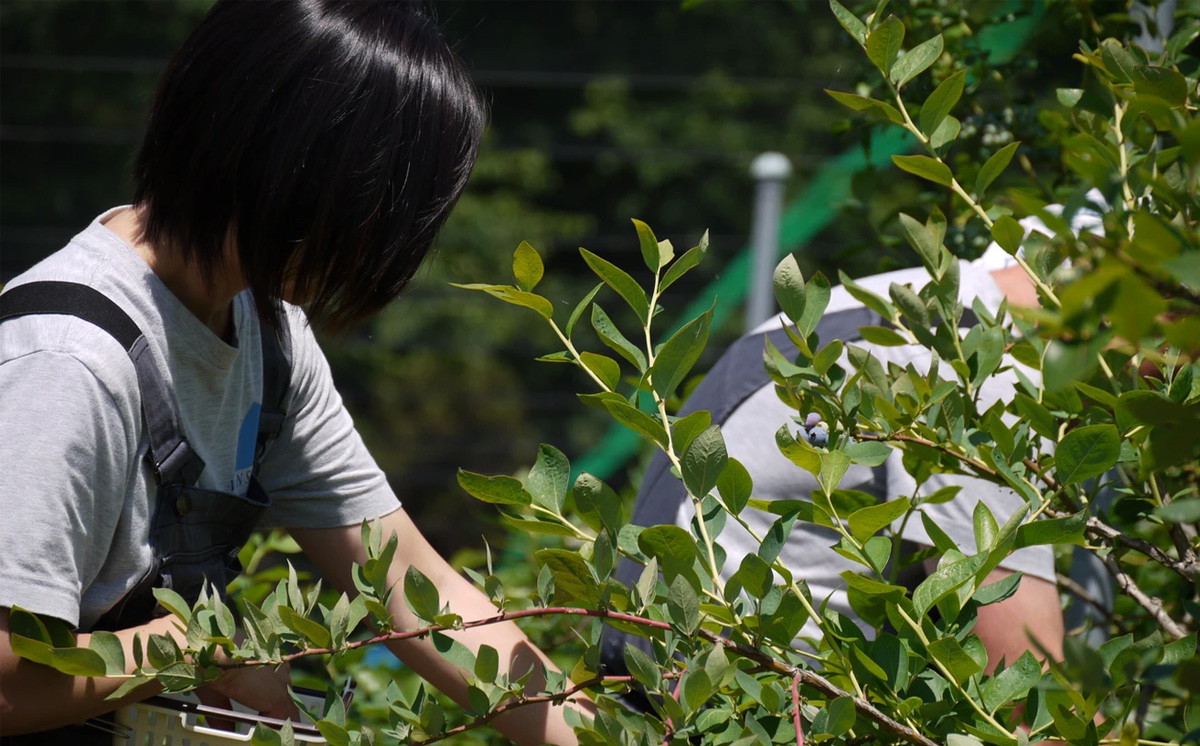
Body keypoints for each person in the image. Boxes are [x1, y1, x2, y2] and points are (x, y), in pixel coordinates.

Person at [0, 2, 585, 744]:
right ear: (286, 160)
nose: (384, 243)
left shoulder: (268, 334)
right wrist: (203, 649)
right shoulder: (68, 362)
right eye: (380, 206)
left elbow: (414, 587)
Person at [599, 230, 1100, 685]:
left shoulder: (880, 306)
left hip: (655, 680)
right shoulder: (980, 376)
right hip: (743, 708)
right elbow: (1022, 693)